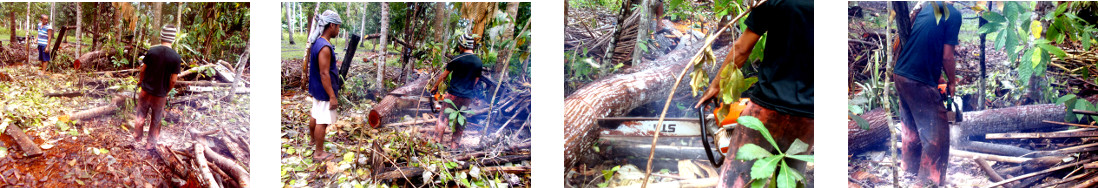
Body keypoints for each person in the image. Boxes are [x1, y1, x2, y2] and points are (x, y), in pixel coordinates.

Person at [694, 0, 813, 187]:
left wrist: (716, 87)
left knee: (735, 180)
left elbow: (742, 49)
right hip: (809, 116)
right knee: (792, 180)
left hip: (767, 107)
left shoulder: (773, 1)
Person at [892, 2, 962, 186]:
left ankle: (909, 168)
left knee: (911, 126)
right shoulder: (953, 14)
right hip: (918, 81)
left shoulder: (929, 8)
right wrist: (952, 81)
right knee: (937, 135)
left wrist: (938, 78)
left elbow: (923, 46)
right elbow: (947, 56)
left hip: (901, 74)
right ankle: (928, 181)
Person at [429, 32, 483, 148]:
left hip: (453, 95)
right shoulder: (478, 62)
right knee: (460, 121)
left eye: (459, 45)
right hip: (467, 97)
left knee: (443, 117)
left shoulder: (457, 59)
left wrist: (435, 87)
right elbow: (476, 81)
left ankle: (436, 142)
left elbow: (443, 76)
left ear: (462, 46)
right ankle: (454, 146)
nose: (459, 47)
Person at [133, 25, 182, 150]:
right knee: (156, 120)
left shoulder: (152, 51)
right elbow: (173, 80)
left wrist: (140, 81)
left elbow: (143, 69)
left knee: (140, 115)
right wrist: (167, 91)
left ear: (162, 36)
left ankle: (137, 138)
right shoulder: (176, 57)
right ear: (173, 39)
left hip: (145, 91)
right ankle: (150, 145)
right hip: (160, 95)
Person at [306, 10, 342, 161]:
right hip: (324, 90)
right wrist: (332, 96)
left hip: (317, 88)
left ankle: (313, 141)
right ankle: (319, 153)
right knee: (323, 121)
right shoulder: (325, 47)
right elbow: (324, 74)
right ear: (331, 25)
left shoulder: (317, 43)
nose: (339, 30)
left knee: (315, 115)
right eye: (338, 27)